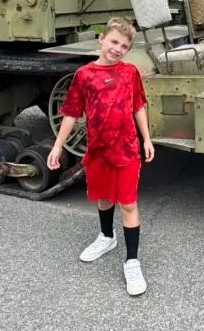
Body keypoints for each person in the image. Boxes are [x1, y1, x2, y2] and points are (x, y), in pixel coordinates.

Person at [47, 16, 155, 296]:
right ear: (101, 40)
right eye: (114, 41)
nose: (118, 48)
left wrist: (147, 138)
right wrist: (58, 146)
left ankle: (132, 261)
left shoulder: (130, 73)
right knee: (104, 197)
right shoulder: (84, 75)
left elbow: (139, 106)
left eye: (124, 45)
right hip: (98, 150)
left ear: (129, 49)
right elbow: (71, 112)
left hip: (127, 149)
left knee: (128, 204)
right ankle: (107, 237)